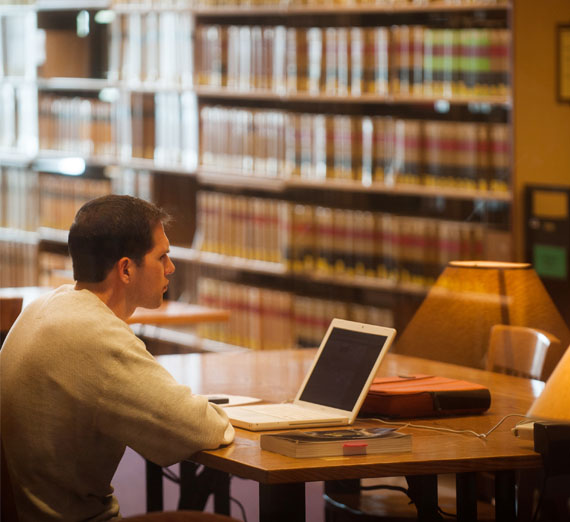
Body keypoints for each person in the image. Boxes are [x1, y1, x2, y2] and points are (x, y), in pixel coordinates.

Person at [0, 195, 235, 521]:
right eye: (162, 256)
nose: (171, 267)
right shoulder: (96, 335)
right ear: (126, 269)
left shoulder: (44, 307)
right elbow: (201, 429)